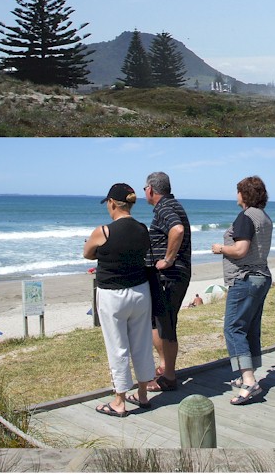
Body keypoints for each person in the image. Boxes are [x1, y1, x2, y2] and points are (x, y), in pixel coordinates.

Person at [83, 183, 156, 417]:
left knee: (118, 347)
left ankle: (119, 401)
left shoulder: (103, 231)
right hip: (140, 291)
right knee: (142, 343)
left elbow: (87, 253)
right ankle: (143, 395)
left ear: (112, 203)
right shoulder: (142, 229)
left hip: (112, 295)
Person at [211, 175, 273, 406]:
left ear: (244, 195)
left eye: (238, 191)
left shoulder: (246, 217)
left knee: (233, 328)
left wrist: (220, 249)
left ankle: (249, 381)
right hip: (262, 277)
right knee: (250, 327)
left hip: (245, 278)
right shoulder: (264, 217)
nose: (236, 195)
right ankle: (248, 373)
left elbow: (240, 250)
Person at [143, 171, 192, 393]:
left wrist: (168, 259)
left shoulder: (165, 207)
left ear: (151, 189)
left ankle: (169, 377)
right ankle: (165, 367)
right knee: (160, 323)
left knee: (165, 325)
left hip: (169, 277)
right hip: (172, 276)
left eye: (145, 188)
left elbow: (177, 229)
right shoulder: (171, 205)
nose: (145, 191)